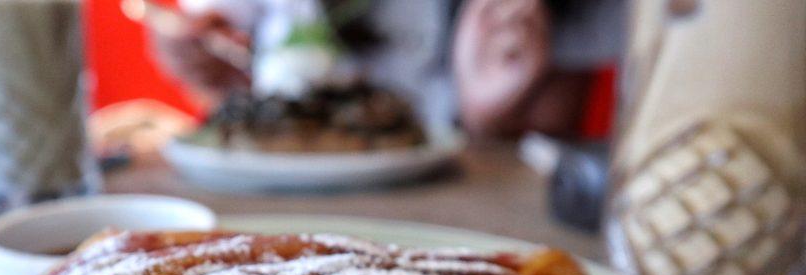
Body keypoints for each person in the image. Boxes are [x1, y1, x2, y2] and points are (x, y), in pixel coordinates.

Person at [148, 0, 623, 138]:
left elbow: (551, 135)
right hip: (287, 192)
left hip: (455, 203)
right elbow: (221, 57)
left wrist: (490, 115)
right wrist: (191, 51)